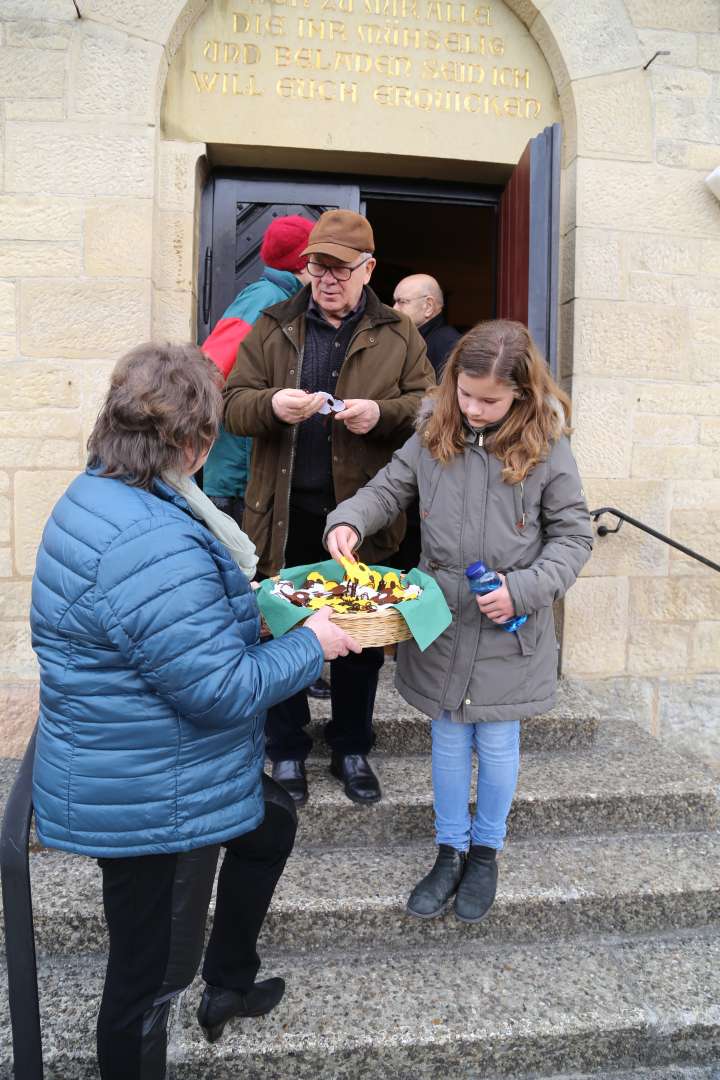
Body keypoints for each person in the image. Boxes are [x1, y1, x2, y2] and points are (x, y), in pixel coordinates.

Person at [30, 343, 359, 1080]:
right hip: (155, 791)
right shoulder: (151, 535)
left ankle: (230, 984)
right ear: (190, 440)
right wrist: (315, 644)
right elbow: (221, 688)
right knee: (147, 981)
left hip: (146, 755)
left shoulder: (108, 492)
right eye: (212, 435)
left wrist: (264, 607)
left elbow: (171, 622)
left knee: (269, 826)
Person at [326, 320, 593, 923]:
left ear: (521, 394)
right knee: (447, 738)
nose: (473, 408)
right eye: (466, 394)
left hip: (509, 628)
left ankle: (486, 852)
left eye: (489, 400)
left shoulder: (549, 445)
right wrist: (349, 519)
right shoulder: (433, 425)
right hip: (440, 617)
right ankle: (449, 850)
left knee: (497, 743)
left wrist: (522, 590)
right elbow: (388, 488)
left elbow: (574, 539)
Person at [224, 209, 435, 806]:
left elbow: (428, 408)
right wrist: (270, 405)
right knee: (284, 629)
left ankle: (351, 747)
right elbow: (230, 404)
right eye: (318, 265)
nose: (327, 278)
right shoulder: (272, 322)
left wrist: (381, 415)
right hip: (283, 514)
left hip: (361, 519)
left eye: (341, 267)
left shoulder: (399, 333)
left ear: (368, 270)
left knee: (361, 640)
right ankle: (285, 750)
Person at [201, 214, 330, 701]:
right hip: (238, 475)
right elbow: (210, 369)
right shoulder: (267, 302)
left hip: (242, 470)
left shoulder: (273, 297)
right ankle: (271, 673)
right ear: (304, 262)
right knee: (252, 585)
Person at [393, 273, 461, 378]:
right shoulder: (415, 339)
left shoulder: (448, 346)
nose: (394, 309)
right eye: (395, 302)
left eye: (402, 302)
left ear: (428, 306)